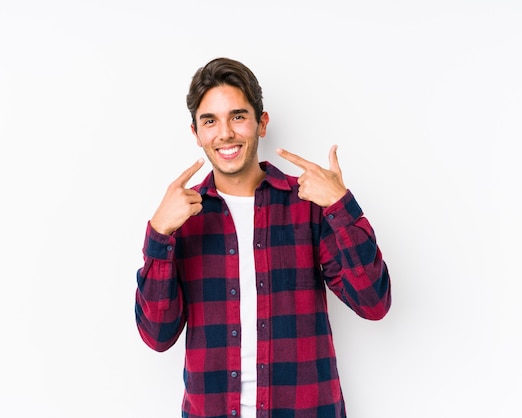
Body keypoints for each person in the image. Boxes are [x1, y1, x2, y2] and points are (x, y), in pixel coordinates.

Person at [135, 57, 391, 418]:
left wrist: (340, 205)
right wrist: (159, 234)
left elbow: (373, 303)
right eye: (210, 121)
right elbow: (157, 336)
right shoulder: (181, 218)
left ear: (262, 123)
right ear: (196, 133)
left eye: (238, 116)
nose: (225, 133)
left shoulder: (307, 206)